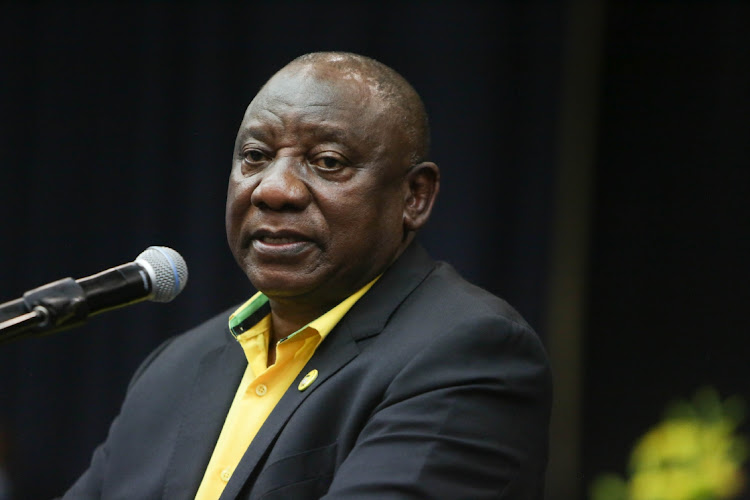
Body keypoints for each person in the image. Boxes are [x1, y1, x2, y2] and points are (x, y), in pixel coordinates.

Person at [63, 52, 552, 499]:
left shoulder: (468, 354)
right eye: (255, 156)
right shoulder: (175, 367)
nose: (274, 190)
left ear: (414, 196)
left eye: (328, 162)